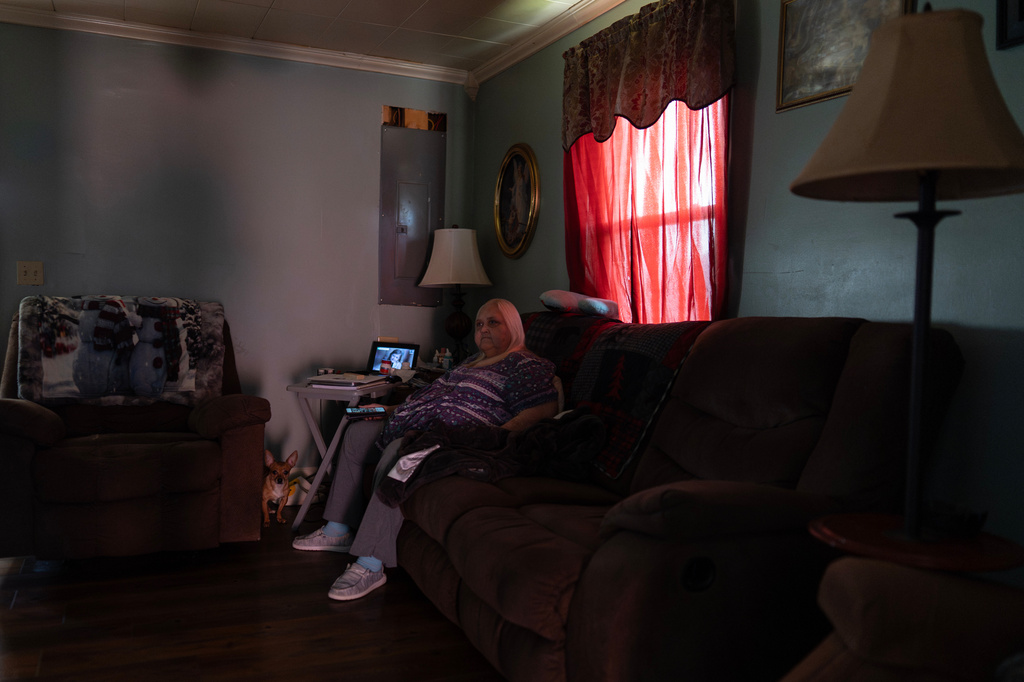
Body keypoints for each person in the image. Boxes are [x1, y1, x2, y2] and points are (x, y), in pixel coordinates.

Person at [292, 299, 559, 601]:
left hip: (452, 438)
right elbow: (427, 397)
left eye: (493, 322)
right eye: (479, 324)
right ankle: (337, 529)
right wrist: (386, 409)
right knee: (357, 432)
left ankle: (371, 563)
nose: (483, 329)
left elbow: (540, 411)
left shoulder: (524, 364)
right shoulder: (469, 362)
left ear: (513, 327)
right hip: (413, 423)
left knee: (400, 452)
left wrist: (492, 438)